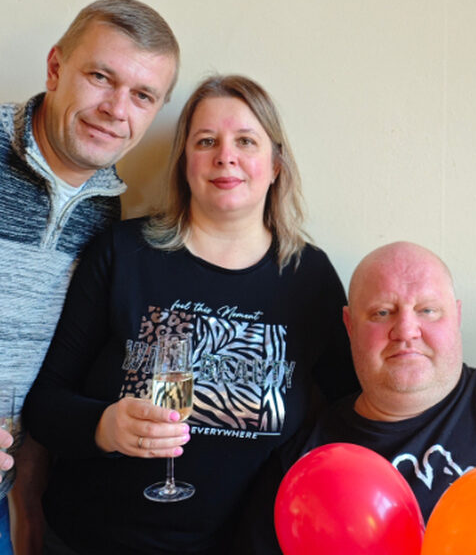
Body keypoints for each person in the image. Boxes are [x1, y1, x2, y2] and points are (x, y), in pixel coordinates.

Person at [23, 75, 359, 554]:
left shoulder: (309, 278)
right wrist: (104, 427)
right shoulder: (123, 252)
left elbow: (350, 413)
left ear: (275, 165)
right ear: (185, 164)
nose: (226, 156)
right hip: (90, 539)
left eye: (246, 141)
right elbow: (46, 406)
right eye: (206, 142)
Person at [234, 241, 476, 553]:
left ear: (456, 316)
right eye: (382, 313)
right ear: (349, 326)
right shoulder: (303, 469)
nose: (406, 331)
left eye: (427, 310)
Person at [0, 0, 179, 554]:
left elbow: (47, 375)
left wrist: (26, 506)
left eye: (143, 95)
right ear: (56, 68)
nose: (116, 108)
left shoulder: (108, 214)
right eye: (101, 77)